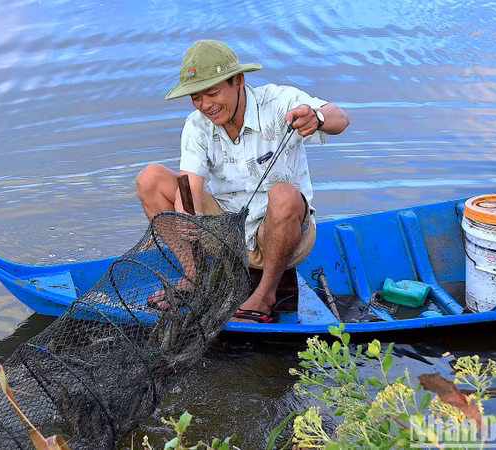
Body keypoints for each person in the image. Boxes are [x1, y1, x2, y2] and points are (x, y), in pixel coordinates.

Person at [136, 40, 349, 323]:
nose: (206, 106)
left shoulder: (278, 101)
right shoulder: (197, 125)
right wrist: (187, 214)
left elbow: (340, 118)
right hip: (228, 233)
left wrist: (318, 118)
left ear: (238, 80)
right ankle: (192, 276)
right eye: (196, 98)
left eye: (212, 93)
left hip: (285, 234)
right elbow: (191, 183)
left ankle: (265, 294)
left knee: (283, 194)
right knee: (150, 178)